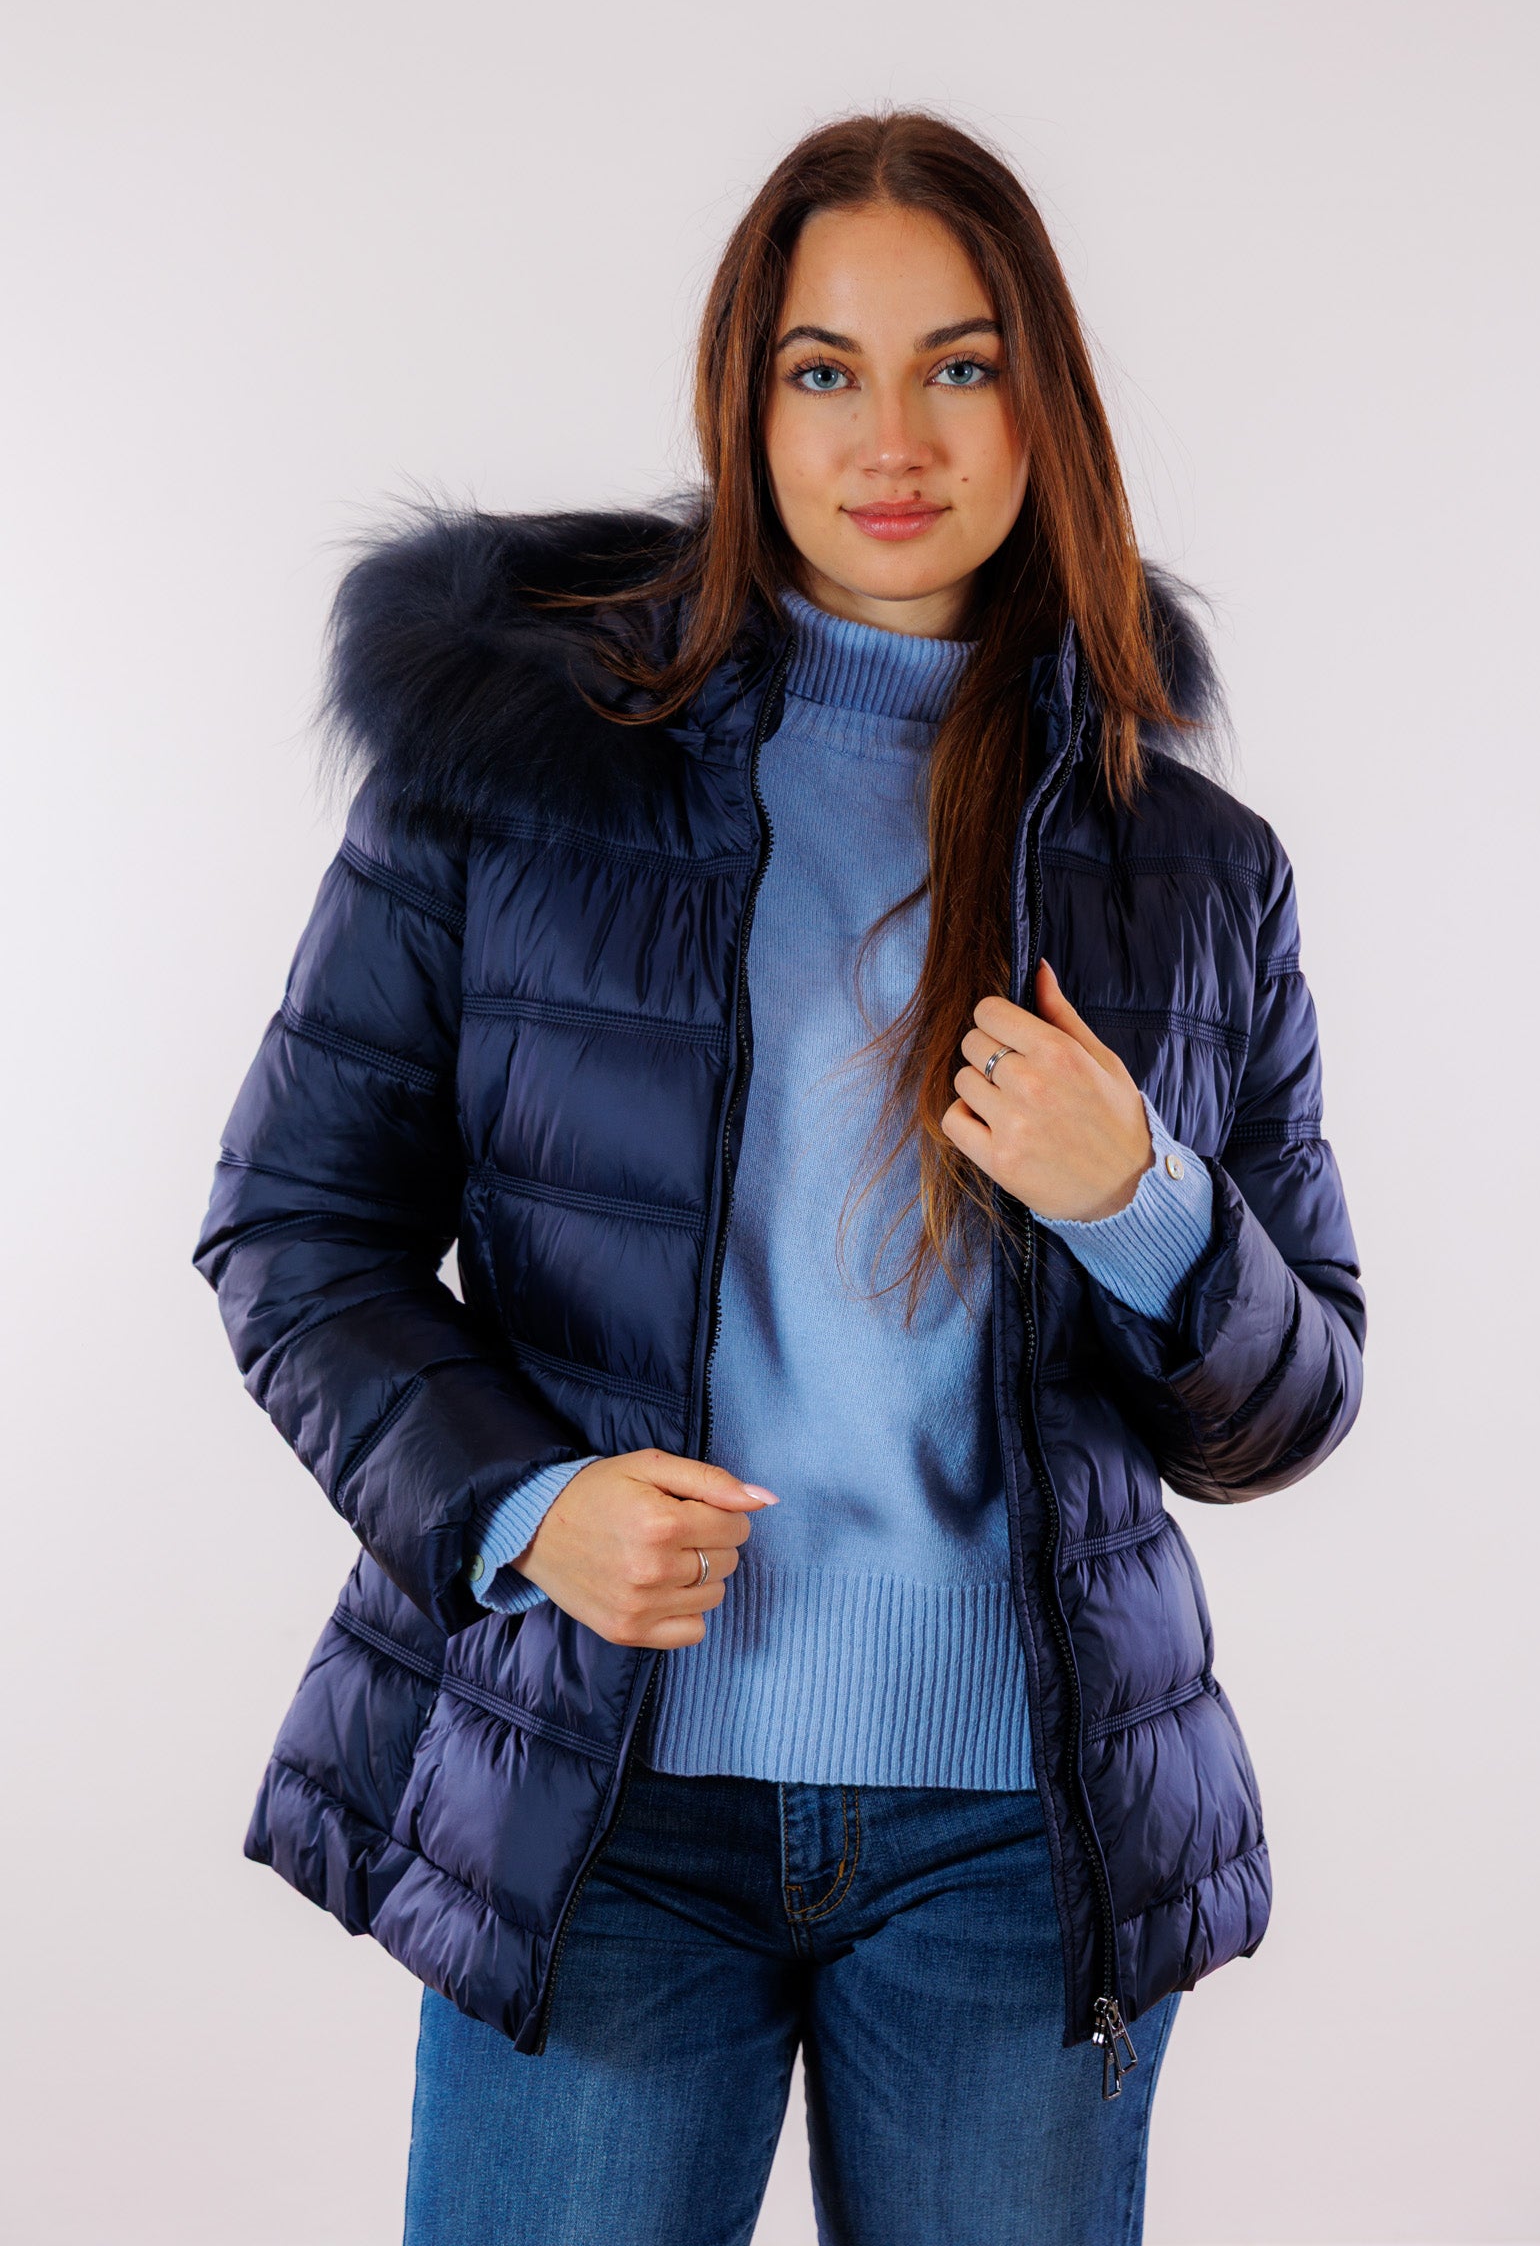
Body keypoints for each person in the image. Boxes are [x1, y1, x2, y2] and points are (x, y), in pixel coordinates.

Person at [195, 110, 1364, 2246]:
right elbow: (296, 1233)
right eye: (825, 368)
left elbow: (1287, 1406)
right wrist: (530, 1508)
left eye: (958, 363)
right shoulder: (515, 781)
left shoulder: (1191, 870)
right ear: (742, 400)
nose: (890, 436)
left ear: (1046, 399)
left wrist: (1139, 1198)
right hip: (600, 1802)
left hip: (1018, 1841)